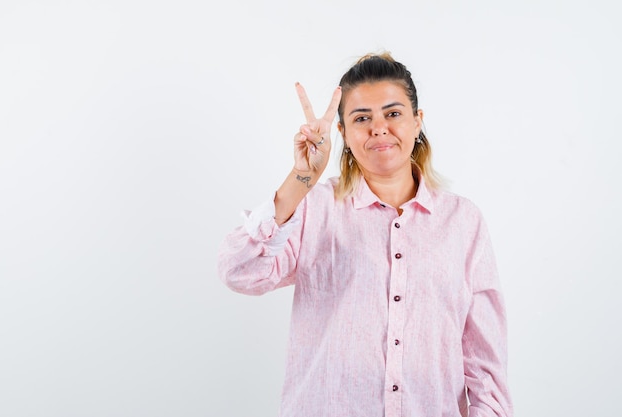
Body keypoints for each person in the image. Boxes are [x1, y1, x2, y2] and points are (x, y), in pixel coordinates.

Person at [217, 52, 513, 417]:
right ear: (341, 132)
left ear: (417, 122)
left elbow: (485, 363)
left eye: (393, 113)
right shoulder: (315, 207)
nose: (378, 128)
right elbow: (238, 272)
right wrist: (302, 179)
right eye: (361, 118)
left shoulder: (463, 221)